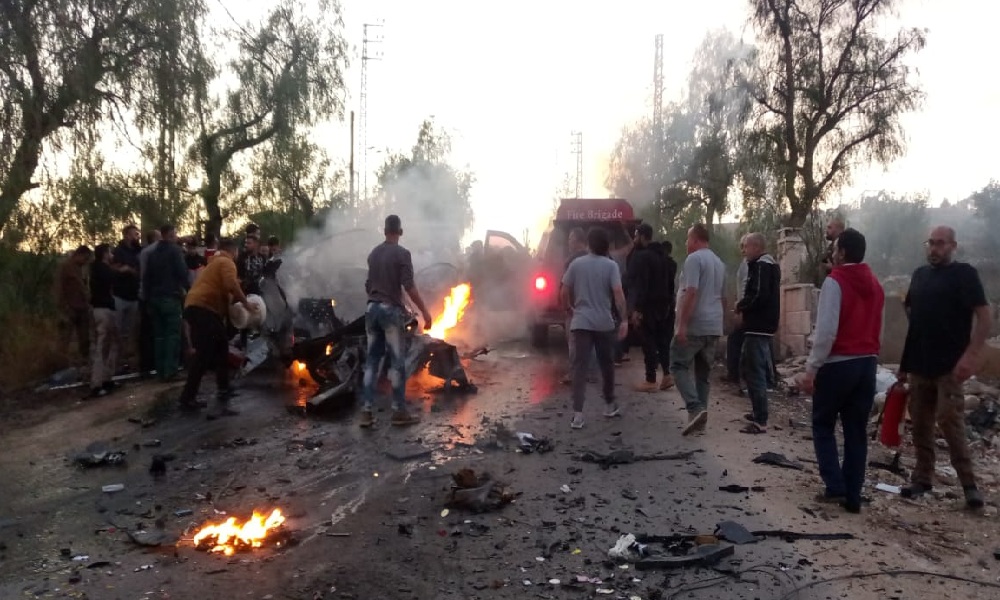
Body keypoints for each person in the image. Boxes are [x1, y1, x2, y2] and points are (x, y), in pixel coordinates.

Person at [897, 226, 990, 509]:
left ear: (953, 246)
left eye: (940, 243)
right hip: (920, 363)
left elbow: (985, 317)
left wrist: (971, 355)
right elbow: (913, 319)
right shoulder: (920, 275)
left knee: (951, 422)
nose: (934, 248)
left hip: (950, 365)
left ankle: (969, 485)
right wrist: (904, 364)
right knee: (920, 424)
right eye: (931, 243)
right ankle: (922, 478)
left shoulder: (964, 274)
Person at [799, 228, 884, 514]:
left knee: (823, 424)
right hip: (867, 363)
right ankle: (853, 495)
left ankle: (834, 486)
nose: (832, 253)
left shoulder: (835, 282)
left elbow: (826, 332)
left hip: (838, 364)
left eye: (835, 248)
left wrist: (811, 368)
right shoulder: (876, 284)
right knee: (856, 431)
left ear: (843, 252)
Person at [358, 215, 434, 429]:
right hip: (390, 312)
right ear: (400, 232)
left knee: (372, 361)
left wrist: (379, 295)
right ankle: (399, 412)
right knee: (397, 362)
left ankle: (366, 412)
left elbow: (368, 285)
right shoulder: (402, 254)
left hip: (371, 309)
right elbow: (409, 286)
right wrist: (425, 312)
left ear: (384, 231)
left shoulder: (373, 254)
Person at [560, 227, 629, 429]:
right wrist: (624, 320)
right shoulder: (611, 266)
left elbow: (564, 291)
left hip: (581, 322)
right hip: (604, 323)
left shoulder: (576, 264)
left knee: (579, 368)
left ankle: (578, 415)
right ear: (606, 245)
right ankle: (609, 405)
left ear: (589, 244)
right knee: (606, 365)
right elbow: (618, 294)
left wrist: (568, 309)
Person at [180, 238, 252, 417]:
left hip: (198, 307)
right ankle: (187, 398)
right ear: (233, 250)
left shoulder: (214, 263)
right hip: (203, 308)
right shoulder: (226, 262)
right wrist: (247, 304)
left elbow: (225, 294)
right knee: (203, 355)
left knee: (221, 348)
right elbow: (231, 285)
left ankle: (223, 388)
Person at [671, 224, 725, 436]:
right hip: (713, 325)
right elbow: (722, 296)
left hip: (696, 324)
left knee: (677, 364)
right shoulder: (719, 262)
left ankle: (694, 408)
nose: (686, 243)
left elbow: (691, 292)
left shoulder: (694, 259)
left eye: (688, 239)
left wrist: (682, 325)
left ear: (694, 239)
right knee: (703, 374)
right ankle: (699, 421)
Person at [734, 233, 780, 434]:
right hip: (758, 326)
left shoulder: (762, 266)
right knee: (748, 367)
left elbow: (759, 295)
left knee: (755, 372)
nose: (743, 251)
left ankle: (761, 420)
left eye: (745, 246)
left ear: (756, 247)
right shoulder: (762, 266)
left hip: (758, 326)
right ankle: (757, 412)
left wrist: (741, 306)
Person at [628, 223, 674, 392]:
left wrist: (637, 309)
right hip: (664, 306)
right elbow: (670, 284)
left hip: (648, 306)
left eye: (635, 236)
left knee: (648, 341)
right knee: (662, 341)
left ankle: (650, 380)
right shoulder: (664, 257)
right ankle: (667, 375)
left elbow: (641, 284)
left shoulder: (642, 257)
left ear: (642, 236)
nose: (634, 239)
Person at [144, 224, 189, 381]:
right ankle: (170, 370)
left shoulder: (153, 253)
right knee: (172, 335)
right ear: (171, 235)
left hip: (154, 299)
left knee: (159, 336)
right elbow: (182, 272)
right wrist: (187, 289)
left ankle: (160, 371)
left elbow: (146, 278)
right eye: (175, 234)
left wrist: (148, 299)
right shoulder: (175, 251)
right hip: (170, 297)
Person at [89, 244, 121, 397]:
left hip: (104, 308)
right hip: (103, 309)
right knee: (103, 347)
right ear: (104, 254)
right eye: (109, 252)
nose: (111, 255)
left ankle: (107, 378)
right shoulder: (102, 269)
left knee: (112, 344)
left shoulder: (97, 269)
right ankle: (97, 383)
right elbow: (113, 279)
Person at [560, 227, 590, 385]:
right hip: (591, 308)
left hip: (575, 308)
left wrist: (567, 307)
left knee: (574, 343)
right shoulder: (596, 258)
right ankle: (588, 372)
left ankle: (574, 374)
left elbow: (565, 289)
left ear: (579, 241)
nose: (569, 242)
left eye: (571, 239)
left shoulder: (571, 261)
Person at [55, 245, 93, 364]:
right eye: (85, 258)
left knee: (84, 337)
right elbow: (58, 288)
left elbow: (84, 287)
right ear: (79, 255)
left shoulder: (82, 269)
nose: (85, 261)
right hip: (69, 308)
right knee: (65, 337)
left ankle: (84, 359)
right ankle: (60, 361)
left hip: (82, 307)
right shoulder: (65, 266)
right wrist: (63, 307)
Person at [111, 225, 141, 369]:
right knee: (117, 330)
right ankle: (114, 362)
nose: (137, 237)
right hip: (120, 296)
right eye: (135, 234)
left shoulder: (137, 251)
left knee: (128, 332)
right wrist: (126, 270)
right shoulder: (118, 251)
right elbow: (114, 269)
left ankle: (124, 361)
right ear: (127, 235)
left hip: (133, 296)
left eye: (137, 234)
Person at [138, 229, 162, 376]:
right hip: (149, 296)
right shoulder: (149, 252)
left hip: (148, 295)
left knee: (150, 331)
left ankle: (150, 364)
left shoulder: (147, 252)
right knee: (149, 331)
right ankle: (148, 364)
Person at [726, 234, 750, 384]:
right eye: (741, 246)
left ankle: (734, 374)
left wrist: (740, 309)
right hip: (745, 308)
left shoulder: (748, 264)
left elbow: (744, 288)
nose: (742, 250)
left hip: (745, 309)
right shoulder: (746, 263)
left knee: (735, 340)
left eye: (745, 246)